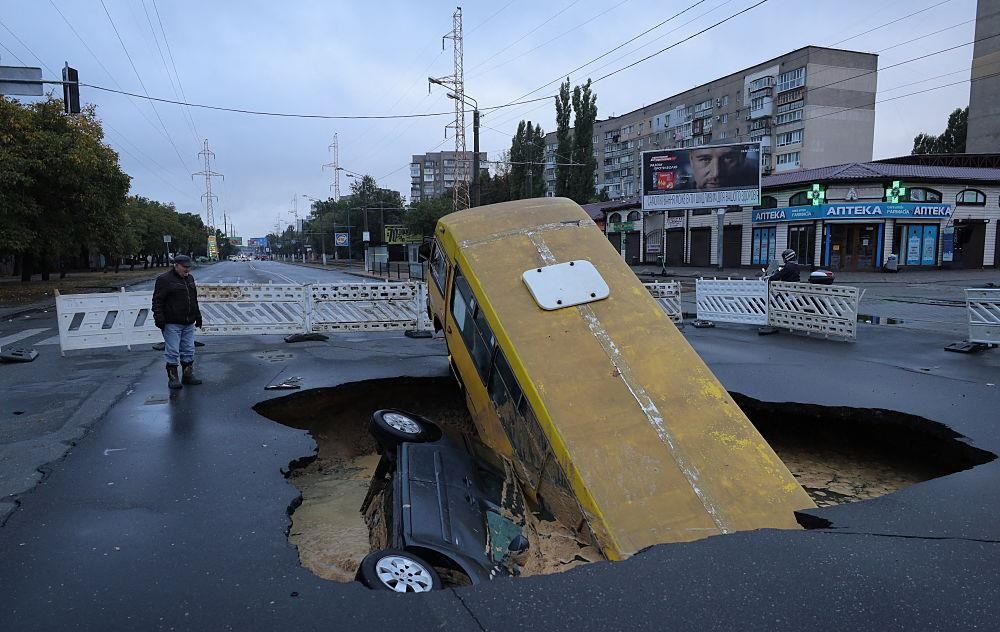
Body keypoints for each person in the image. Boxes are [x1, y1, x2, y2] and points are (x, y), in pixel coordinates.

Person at [152, 254, 203, 389]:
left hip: (188, 322)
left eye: (189, 267)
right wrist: (159, 319)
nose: (188, 270)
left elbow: (193, 299)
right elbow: (157, 301)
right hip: (172, 322)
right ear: (176, 265)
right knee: (173, 351)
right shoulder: (164, 280)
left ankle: (188, 376)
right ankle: (173, 378)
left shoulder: (190, 279)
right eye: (185, 267)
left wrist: (198, 316)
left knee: (188, 350)